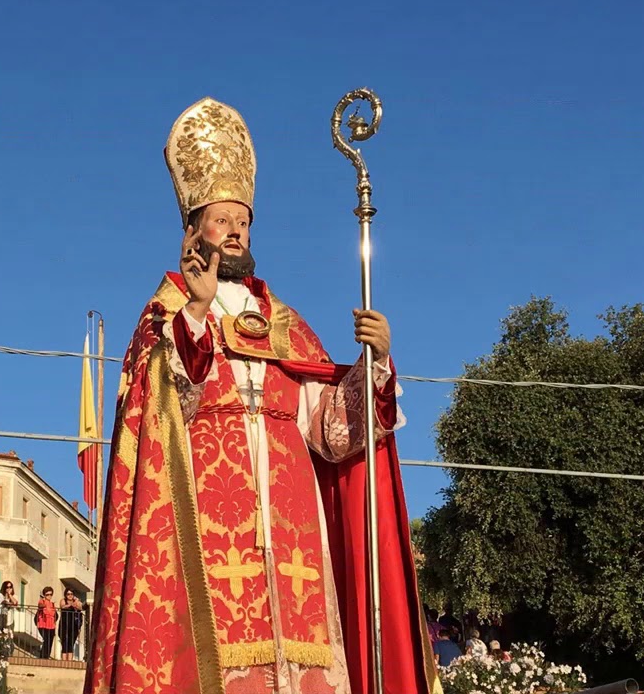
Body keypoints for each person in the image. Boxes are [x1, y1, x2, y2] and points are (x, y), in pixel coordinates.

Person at [84, 98, 439, 694]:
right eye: (221, 220)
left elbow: (330, 432)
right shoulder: (167, 315)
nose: (235, 232)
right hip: (207, 534)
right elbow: (160, 413)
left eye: (243, 222)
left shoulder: (284, 323)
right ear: (192, 230)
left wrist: (374, 368)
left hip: (297, 544)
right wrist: (196, 311)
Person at [57, 589, 84, 661]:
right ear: (65, 595)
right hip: (64, 624)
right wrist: (71, 605)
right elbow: (62, 606)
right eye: (68, 594)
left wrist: (76, 601)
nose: (70, 595)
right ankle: (64, 660)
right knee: (64, 642)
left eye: (71, 594)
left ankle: (69, 660)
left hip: (73, 625)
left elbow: (81, 607)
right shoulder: (63, 600)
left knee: (71, 643)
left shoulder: (76, 601)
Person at [36, 586, 59, 659]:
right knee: (46, 639)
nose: (49, 596)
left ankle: (47, 656)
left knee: (50, 640)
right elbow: (40, 605)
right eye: (47, 594)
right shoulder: (42, 601)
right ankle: (43, 656)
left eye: (50, 594)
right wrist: (44, 605)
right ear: (44, 595)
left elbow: (55, 614)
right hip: (43, 624)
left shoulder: (52, 604)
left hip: (51, 625)